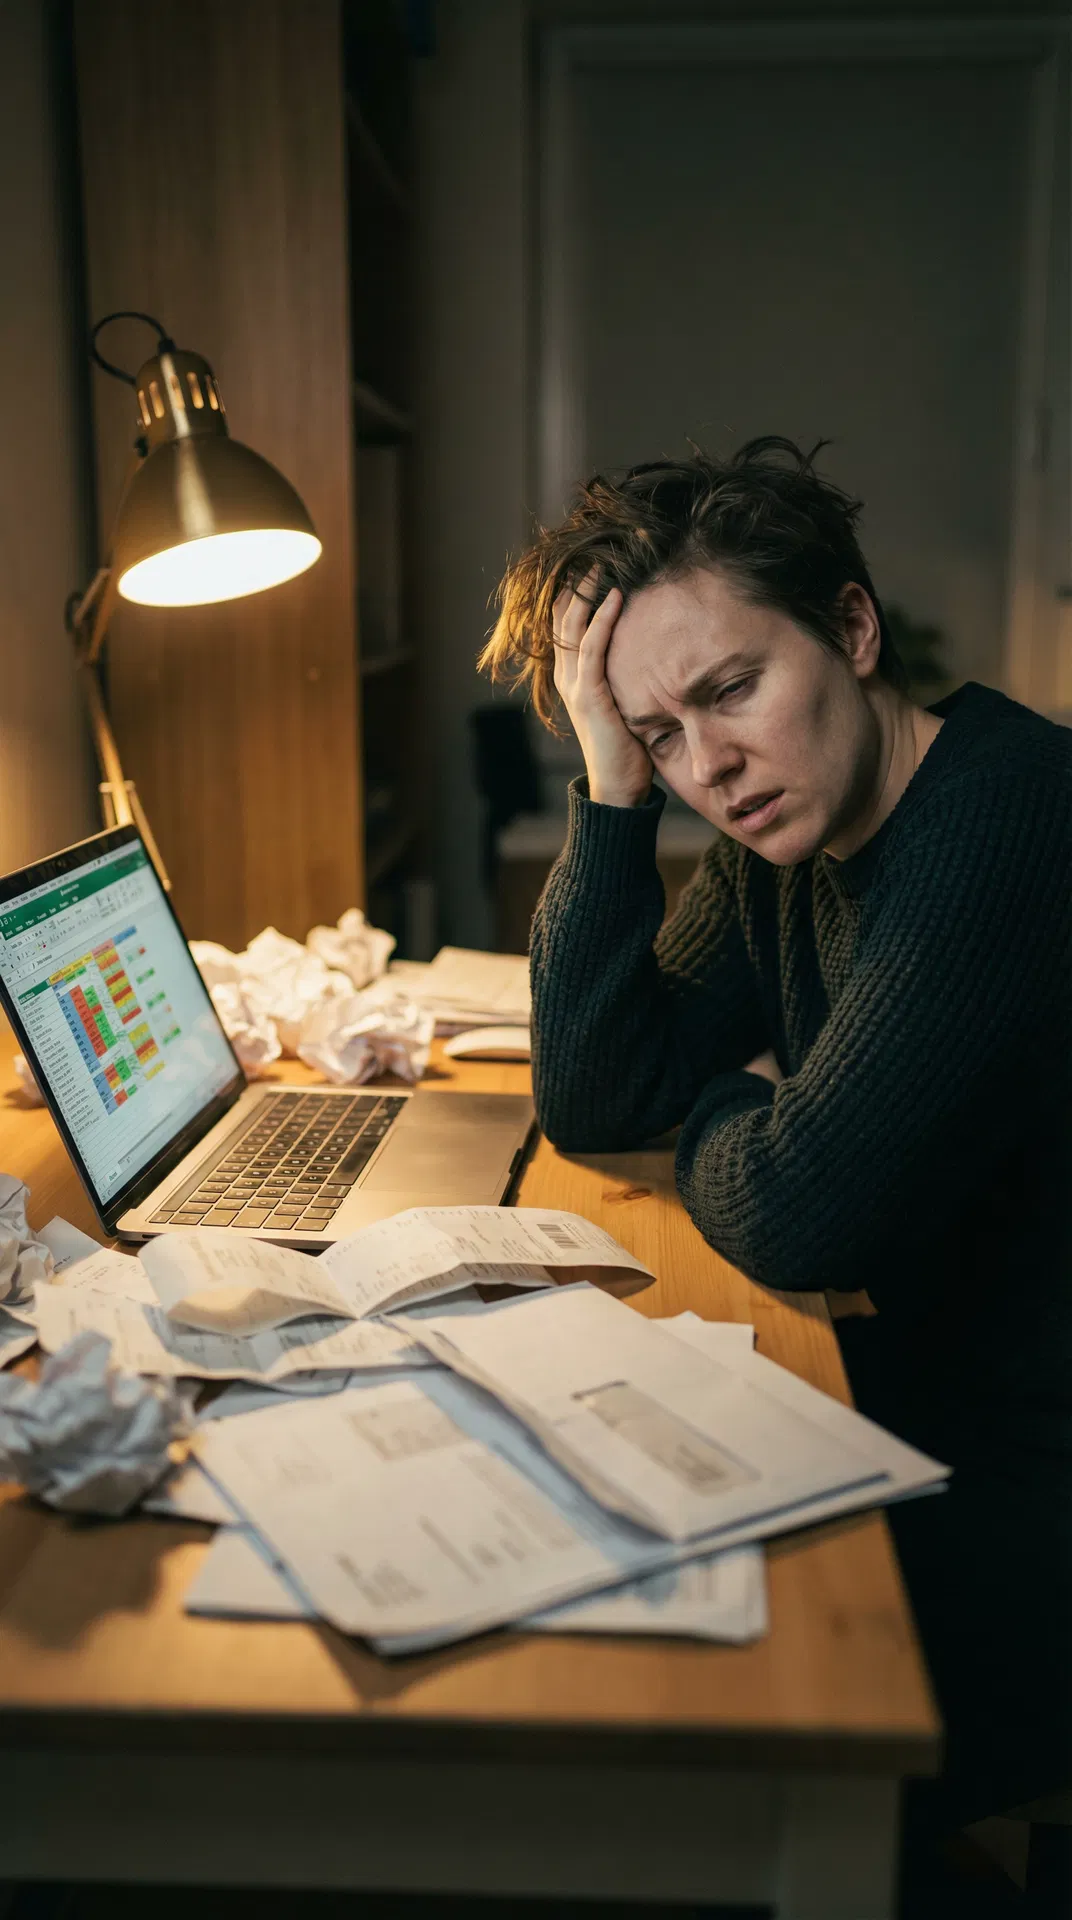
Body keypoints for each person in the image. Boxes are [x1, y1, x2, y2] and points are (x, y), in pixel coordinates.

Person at [481, 438, 1072, 1849]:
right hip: (939, 1397)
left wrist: (740, 1111)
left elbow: (805, 1209)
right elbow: (601, 1092)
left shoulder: (1011, 821)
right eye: (662, 733)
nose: (713, 766)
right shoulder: (781, 839)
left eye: (733, 689)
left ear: (853, 630)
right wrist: (607, 791)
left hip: (1037, 1478)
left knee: (650, 1723)